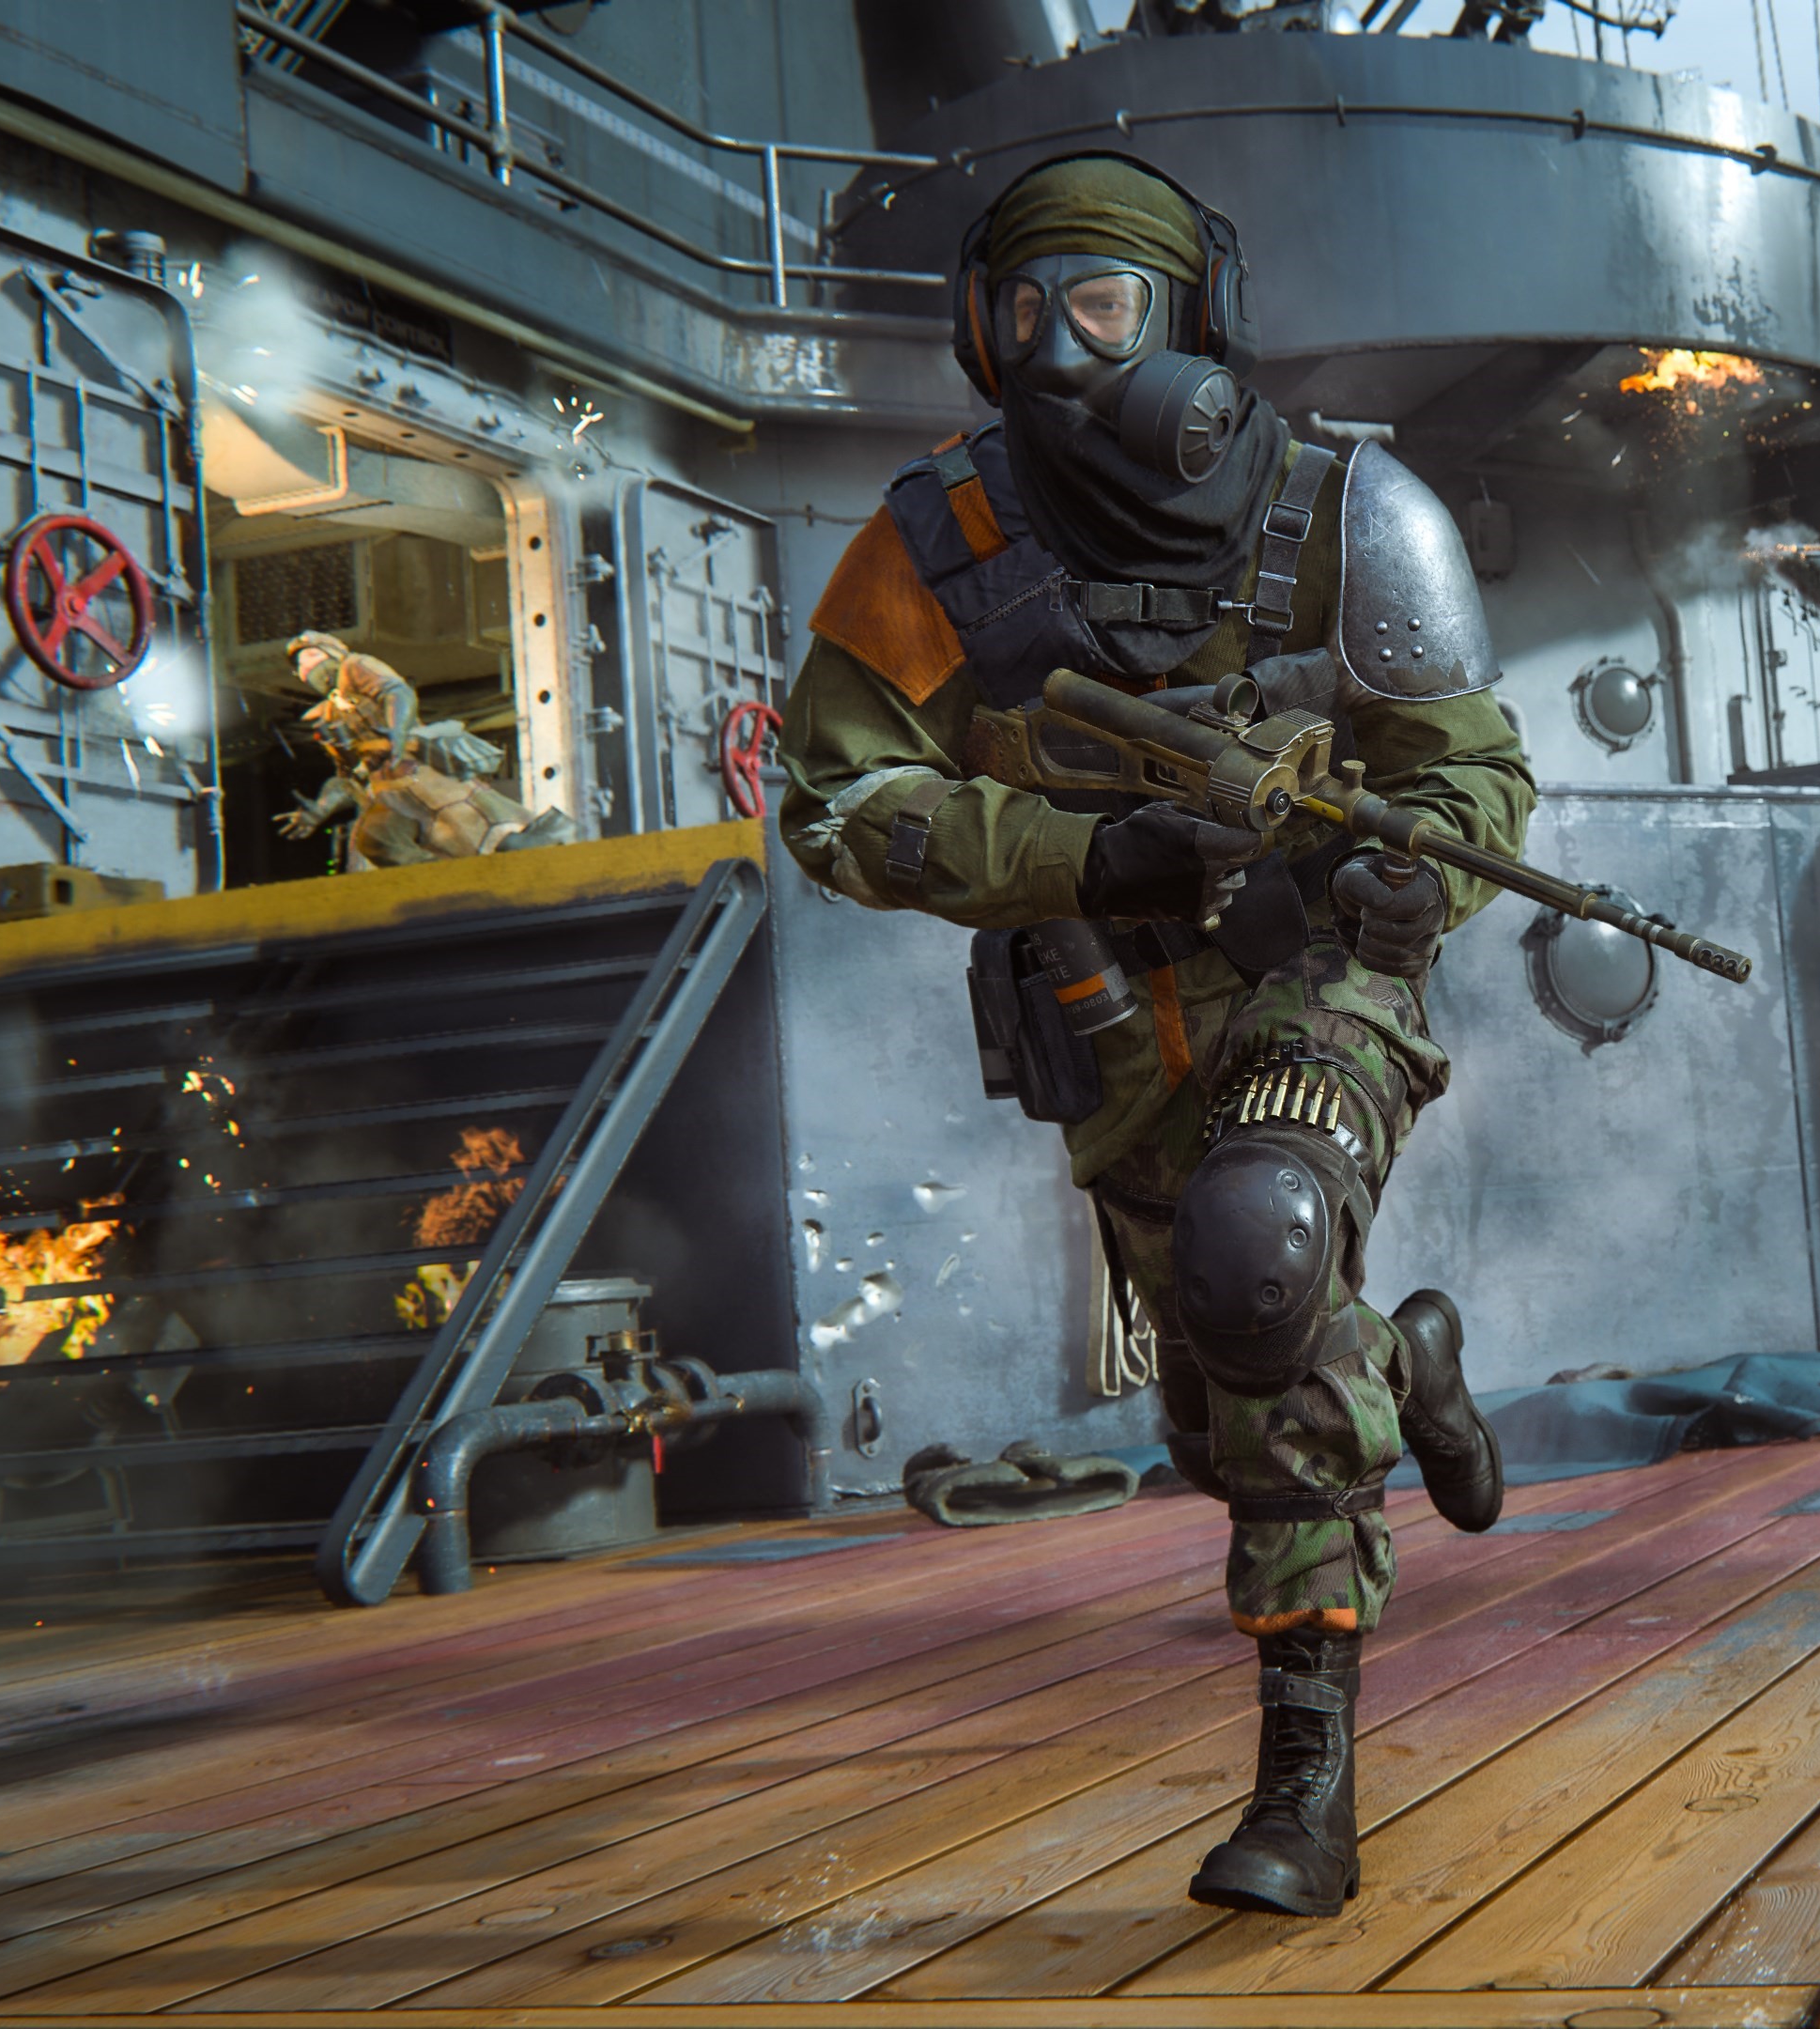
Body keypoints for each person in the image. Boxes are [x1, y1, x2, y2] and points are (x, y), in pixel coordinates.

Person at [771, 154, 1529, 1919]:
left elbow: (1472, 774)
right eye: (1023, 312)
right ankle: (1407, 1363)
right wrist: (1079, 855)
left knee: (1260, 1262)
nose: (1061, 352)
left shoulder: (1352, 514)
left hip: (1318, 976)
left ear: (1192, 314)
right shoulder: (931, 546)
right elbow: (835, 804)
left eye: (1104, 306)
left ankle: (1304, 1781)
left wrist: (1421, 884)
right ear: (979, 327)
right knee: (1213, 1412)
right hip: (1109, 1006)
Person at [272, 630, 571, 865]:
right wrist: (321, 808)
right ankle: (442, 886)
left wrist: (396, 733)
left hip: (421, 771)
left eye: (312, 655)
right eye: (300, 665)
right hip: (388, 790)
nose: (307, 666)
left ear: (333, 653)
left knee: (481, 824)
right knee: (377, 840)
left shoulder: (355, 667)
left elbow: (396, 692)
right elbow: (347, 777)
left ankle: (550, 839)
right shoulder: (327, 716)